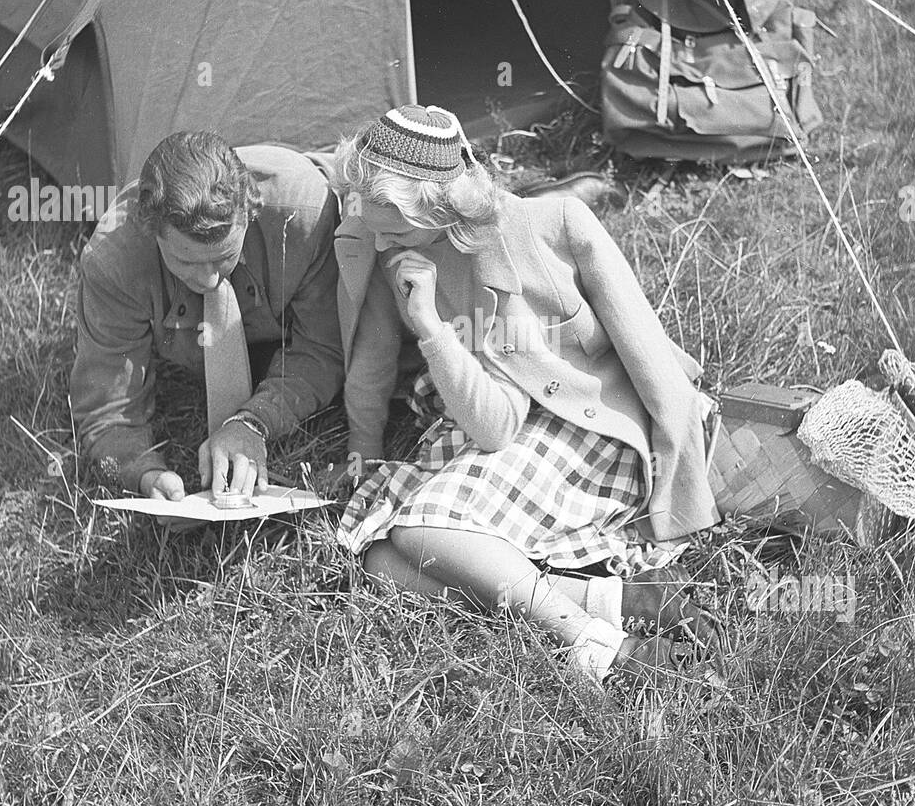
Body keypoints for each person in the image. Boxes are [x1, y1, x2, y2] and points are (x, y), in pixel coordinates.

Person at [329, 105, 719, 684]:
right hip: (491, 416)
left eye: (394, 228)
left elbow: (648, 354)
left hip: (588, 424)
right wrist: (363, 444)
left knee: (417, 531)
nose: (380, 240)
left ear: (439, 206)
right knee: (380, 558)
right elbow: (377, 357)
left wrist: (679, 476)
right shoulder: (398, 246)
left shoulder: (547, 228)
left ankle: (585, 640)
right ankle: (604, 604)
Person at [70, 130, 343, 499]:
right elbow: (106, 409)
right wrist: (143, 475)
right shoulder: (113, 263)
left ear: (249, 213)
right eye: (185, 260)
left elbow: (324, 349)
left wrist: (253, 422)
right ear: (153, 233)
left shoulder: (303, 213)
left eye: (224, 256)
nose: (210, 279)